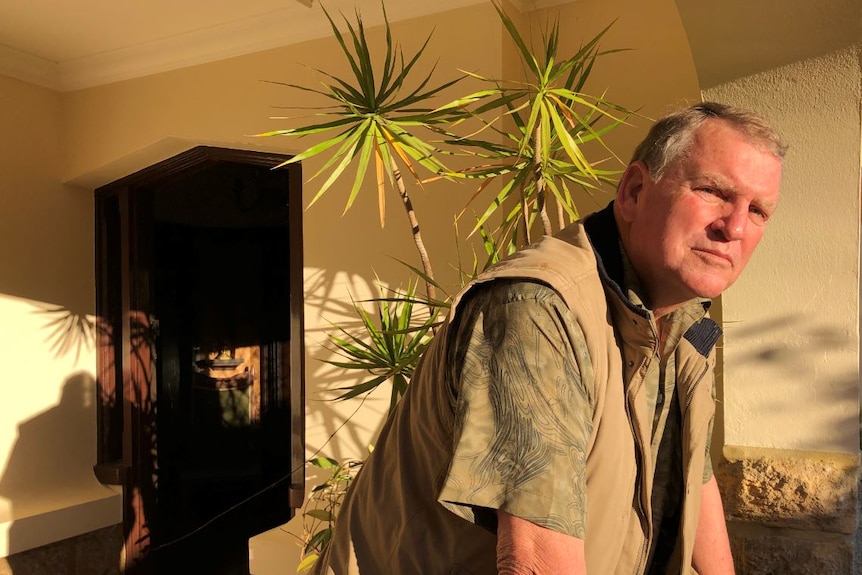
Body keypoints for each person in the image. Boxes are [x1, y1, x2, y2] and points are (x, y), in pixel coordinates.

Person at [312, 102, 786, 575]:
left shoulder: (686, 319)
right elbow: (536, 561)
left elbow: (692, 469)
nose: (735, 227)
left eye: (758, 210)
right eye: (712, 192)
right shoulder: (536, 312)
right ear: (635, 191)